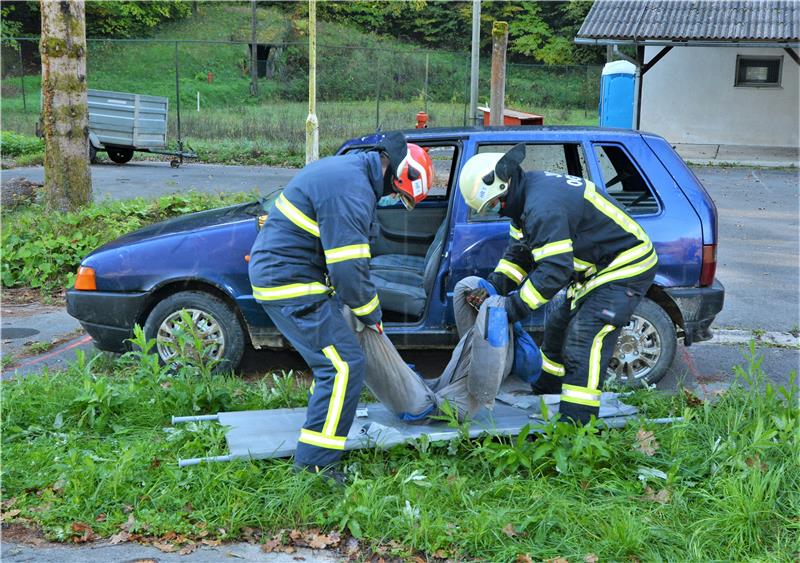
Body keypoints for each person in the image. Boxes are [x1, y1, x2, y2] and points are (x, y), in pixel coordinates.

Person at [248, 132, 435, 477]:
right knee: (343, 367)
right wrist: (372, 314)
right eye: (398, 193)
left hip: (292, 278)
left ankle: (317, 450)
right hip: (290, 285)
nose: (394, 198)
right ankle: (315, 466)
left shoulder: (351, 174)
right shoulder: (352, 190)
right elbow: (349, 271)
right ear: (397, 173)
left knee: (338, 361)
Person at [457, 144, 658, 424]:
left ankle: (577, 425)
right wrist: (493, 288)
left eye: (493, 204)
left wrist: (511, 308)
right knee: (555, 332)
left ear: (502, 185)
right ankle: (545, 396)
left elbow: (554, 271)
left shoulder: (541, 206)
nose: (498, 211)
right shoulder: (524, 201)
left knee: (583, 338)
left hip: (625, 266)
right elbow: (519, 255)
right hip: (595, 271)